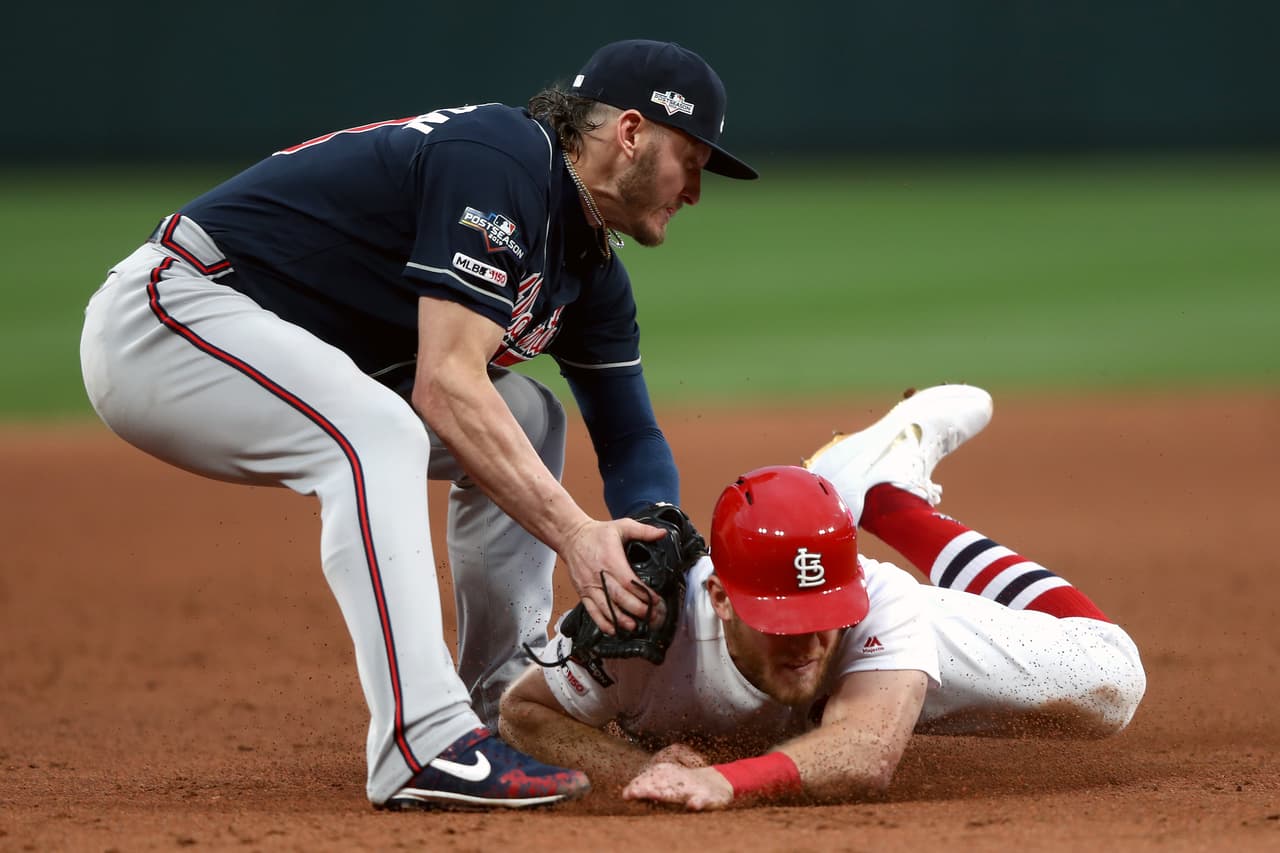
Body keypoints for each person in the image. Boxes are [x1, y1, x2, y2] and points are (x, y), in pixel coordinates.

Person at [77, 39, 757, 810]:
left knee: (529, 417)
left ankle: (501, 704)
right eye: (691, 159)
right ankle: (420, 741)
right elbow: (443, 382)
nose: (696, 190)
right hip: (173, 312)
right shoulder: (502, 159)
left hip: (253, 334)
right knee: (381, 432)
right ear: (630, 133)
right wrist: (575, 531)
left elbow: (631, 437)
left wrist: (658, 536)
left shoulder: (590, 269)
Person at [498, 384, 1148, 810]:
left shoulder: (878, 600)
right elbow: (523, 713)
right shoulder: (645, 622)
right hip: (818, 674)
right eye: (785, 621)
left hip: (878, 670)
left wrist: (722, 780)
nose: (809, 641)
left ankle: (887, 499)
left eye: (824, 616)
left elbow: (865, 751)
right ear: (721, 597)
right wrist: (631, 765)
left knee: (1112, 683)